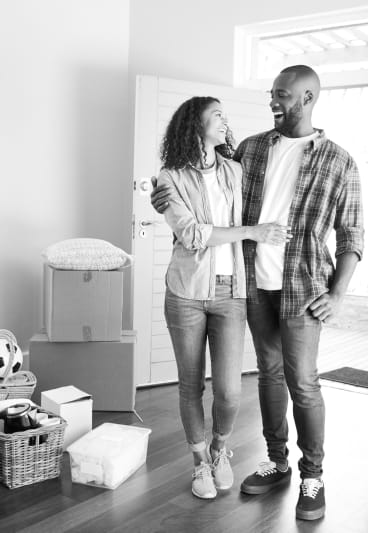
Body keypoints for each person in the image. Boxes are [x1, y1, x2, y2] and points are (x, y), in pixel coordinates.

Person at [151, 65, 364, 520]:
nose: (273, 101)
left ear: (306, 99)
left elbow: (352, 236)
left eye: (282, 95)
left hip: (302, 289)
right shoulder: (249, 150)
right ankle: (277, 461)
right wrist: (164, 197)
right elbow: (202, 189)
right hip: (249, 286)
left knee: (303, 382)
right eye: (272, 93)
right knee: (268, 375)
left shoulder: (340, 161)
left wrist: (340, 293)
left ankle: (313, 475)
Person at [156, 96, 291, 500]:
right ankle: (199, 463)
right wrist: (251, 231)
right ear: (194, 124)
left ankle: (219, 451)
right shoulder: (170, 177)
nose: (224, 120)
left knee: (230, 391)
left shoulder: (235, 170)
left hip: (230, 293)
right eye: (216, 115)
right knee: (190, 385)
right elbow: (193, 235)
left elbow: (272, 195)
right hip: (186, 294)